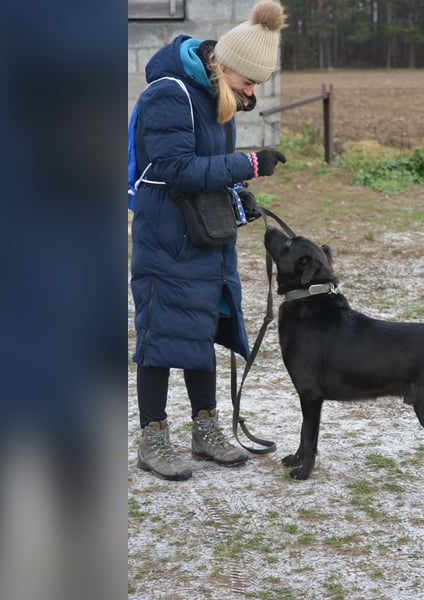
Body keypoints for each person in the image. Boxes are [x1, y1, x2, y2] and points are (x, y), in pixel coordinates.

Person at [130, 1, 287, 480]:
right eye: (249, 80)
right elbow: (176, 168)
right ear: (228, 64)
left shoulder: (219, 99)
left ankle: (206, 428)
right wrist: (248, 165)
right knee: (160, 336)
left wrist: (239, 197)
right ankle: (153, 436)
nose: (251, 91)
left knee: (202, 328)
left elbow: (209, 172)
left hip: (206, 238)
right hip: (166, 239)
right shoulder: (170, 93)